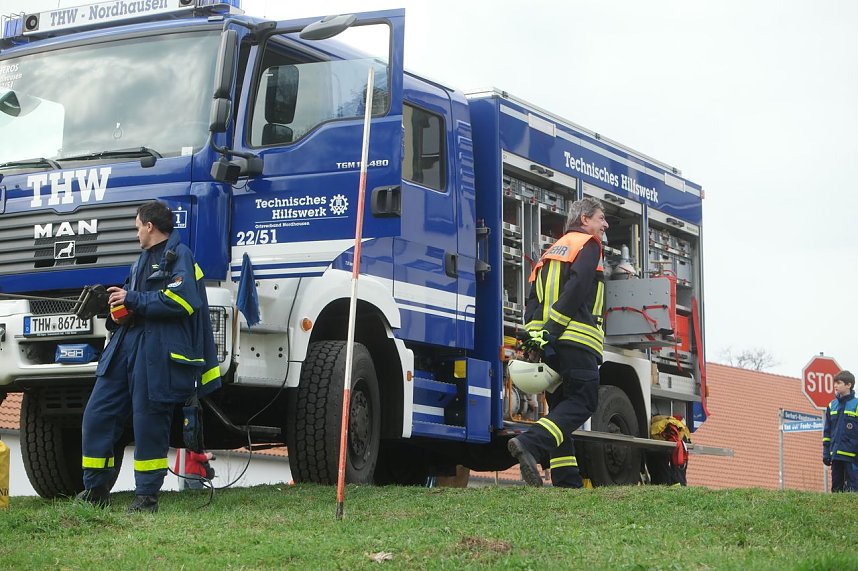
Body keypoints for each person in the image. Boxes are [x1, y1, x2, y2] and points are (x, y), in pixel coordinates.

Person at [76, 200, 222, 512]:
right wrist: (116, 307)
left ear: (150, 226)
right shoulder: (140, 261)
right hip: (125, 349)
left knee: (149, 423)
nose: (137, 233)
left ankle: (146, 497)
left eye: (137, 227)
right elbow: (134, 303)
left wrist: (133, 298)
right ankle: (95, 489)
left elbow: (182, 301)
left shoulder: (181, 256)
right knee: (97, 414)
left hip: (155, 354)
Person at [508, 197, 608, 487]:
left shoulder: (549, 252)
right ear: (585, 219)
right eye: (601, 218)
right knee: (584, 401)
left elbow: (532, 299)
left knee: (561, 409)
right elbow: (578, 287)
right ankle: (531, 443)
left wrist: (536, 336)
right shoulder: (588, 245)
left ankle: (567, 480)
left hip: (550, 347)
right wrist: (553, 327)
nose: (605, 224)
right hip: (577, 341)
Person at [823, 370, 858, 492]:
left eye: (839, 383)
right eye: (835, 383)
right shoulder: (832, 406)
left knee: (853, 489)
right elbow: (827, 433)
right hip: (836, 455)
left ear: (849, 385)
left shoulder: (856, 405)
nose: (835, 385)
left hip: (853, 457)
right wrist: (826, 453)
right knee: (836, 489)